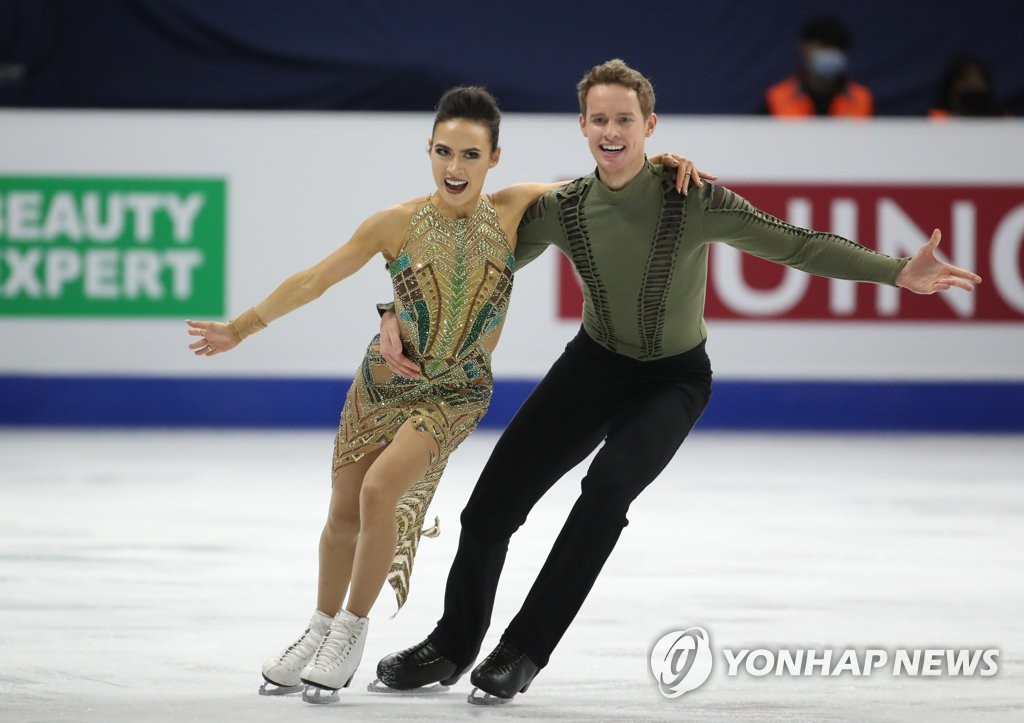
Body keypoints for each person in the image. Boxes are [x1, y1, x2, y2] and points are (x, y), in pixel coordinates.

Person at [374, 58, 981, 704]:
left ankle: (522, 649)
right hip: (592, 366)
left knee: (606, 491)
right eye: (600, 119)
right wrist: (393, 312)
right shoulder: (564, 208)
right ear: (582, 126)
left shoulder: (693, 198)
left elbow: (796, 243)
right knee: (489, 506)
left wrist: (896, 271)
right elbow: (474, 268)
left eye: (625, 120)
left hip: (673, 381)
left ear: (650, 125)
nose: (612, 131)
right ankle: (453, 643)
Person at [185, 85, 701, 704]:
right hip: (385, 381)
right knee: (343, 512)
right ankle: (317, 630)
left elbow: (610, 176)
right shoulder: (394, 223)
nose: (455, 167)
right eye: (444, 152)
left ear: (494, 158)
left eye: (471, 155)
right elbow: (317, 278)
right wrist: (241, 328)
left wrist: (660, 161)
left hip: (455, 391)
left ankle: (349, 632)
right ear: (428, 150)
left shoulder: (516, 209)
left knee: (380, 491)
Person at [762, 16, 873, 117]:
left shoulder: (862, 99)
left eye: (835, 48)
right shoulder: (777, 98)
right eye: (823, 46)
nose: (829, 52)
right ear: (804, 48)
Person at [929, 55, 1011, 118]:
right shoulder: (937, 118)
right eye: (965, 78)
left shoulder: (1001, 118)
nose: (973, 84)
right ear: (953, 84)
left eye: (977, 78)